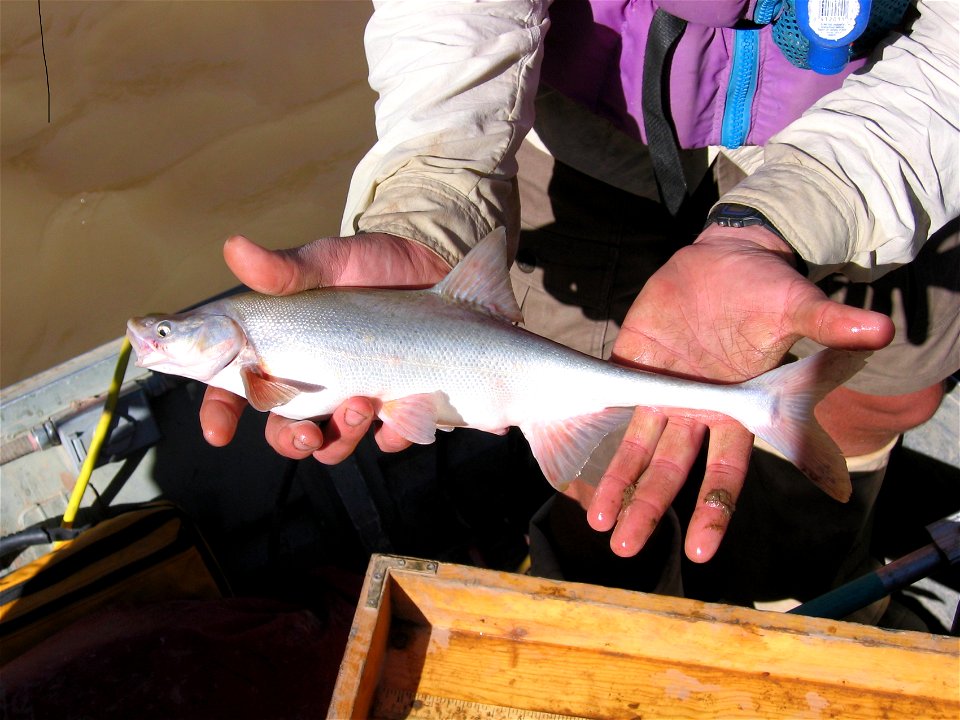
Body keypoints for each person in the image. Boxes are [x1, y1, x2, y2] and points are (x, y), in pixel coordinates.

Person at [199, 0, 958, 619]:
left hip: (887, 127)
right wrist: (431, 200)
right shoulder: (257, 354)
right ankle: (619, 601)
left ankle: (798, 591)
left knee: (883, 395)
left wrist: (805, 204)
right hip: (578, 137)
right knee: (600, 466)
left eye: (171, 338)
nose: (155, 340)